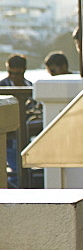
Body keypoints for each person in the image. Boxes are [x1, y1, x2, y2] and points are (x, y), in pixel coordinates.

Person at [1, 54, 34, 187]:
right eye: (10, 72)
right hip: (8, 136)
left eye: (17, 73)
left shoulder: (30, 86)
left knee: (26, 167)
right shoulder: (2, 86)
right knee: (15, 169)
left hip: (25, 134)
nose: (13, 76)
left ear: (24, 70)